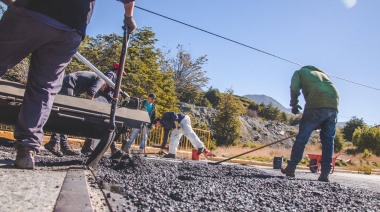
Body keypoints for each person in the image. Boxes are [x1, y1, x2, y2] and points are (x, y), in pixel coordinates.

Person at [0, 0, 137, 169]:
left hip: (33, 10)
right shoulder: (105, 76)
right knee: (43, 88)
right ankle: (27, 149)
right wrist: (129, 17)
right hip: (71, 25)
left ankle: (43, 144)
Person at [281, 65, 339, 182]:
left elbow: (294, 88)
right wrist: (319, 121)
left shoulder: (300, 72)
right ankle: (325, 174)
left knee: (302, 136)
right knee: (328, 139)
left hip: (316, 104)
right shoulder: (323, 75)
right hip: (333, 104)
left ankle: (291, 168)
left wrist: (294, 104)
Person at [44, 71, 105, 157]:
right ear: (106, 85)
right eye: (102, 88)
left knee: (63, 116)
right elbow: (91, 92)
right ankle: (54, 142)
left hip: (66, 83)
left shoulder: (95, 77)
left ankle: (63, 145)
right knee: (65, 116)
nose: (101, 89)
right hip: (69, 84)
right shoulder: (102, 80)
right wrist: (90, 109)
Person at [81, 63, 127, 155]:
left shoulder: (113, 75)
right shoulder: (111, 74)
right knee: (107, 124)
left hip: (105, 100)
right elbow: (105, 82)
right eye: (121, 73)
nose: (121, 75)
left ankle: (87, 146)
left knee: (102, 124)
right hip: (103, 100)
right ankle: (111, 148)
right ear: (117, 70)